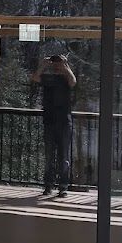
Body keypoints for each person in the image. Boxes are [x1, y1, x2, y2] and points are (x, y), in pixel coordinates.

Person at [32, 52, 76, 198]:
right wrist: (43, 65)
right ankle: (48, 186)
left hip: (64, 122)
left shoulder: (65, 76)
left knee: (64, 157)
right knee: (49, 156)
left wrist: (65, 66)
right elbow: (35, 78)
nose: (56, 64)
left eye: (58, 62)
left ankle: (63, 187)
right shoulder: (48, 77)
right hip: (49, 121)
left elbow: (73, 81)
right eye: (55, 62)